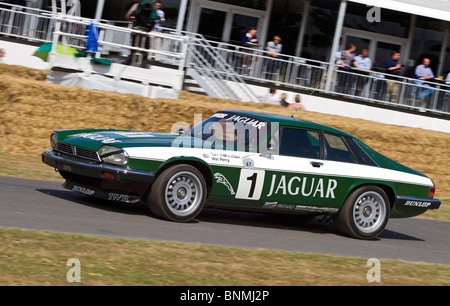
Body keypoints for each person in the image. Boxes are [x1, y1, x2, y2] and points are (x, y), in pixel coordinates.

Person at [124, 0, 160, 68]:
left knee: (133, 49)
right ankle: (143, 66)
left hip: (136, 29)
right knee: (145, 50)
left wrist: (134, 21)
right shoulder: (152, 7)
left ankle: (128, 64)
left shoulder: (136, 5)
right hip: (146, 31)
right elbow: (156, 19)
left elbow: (127, 16)